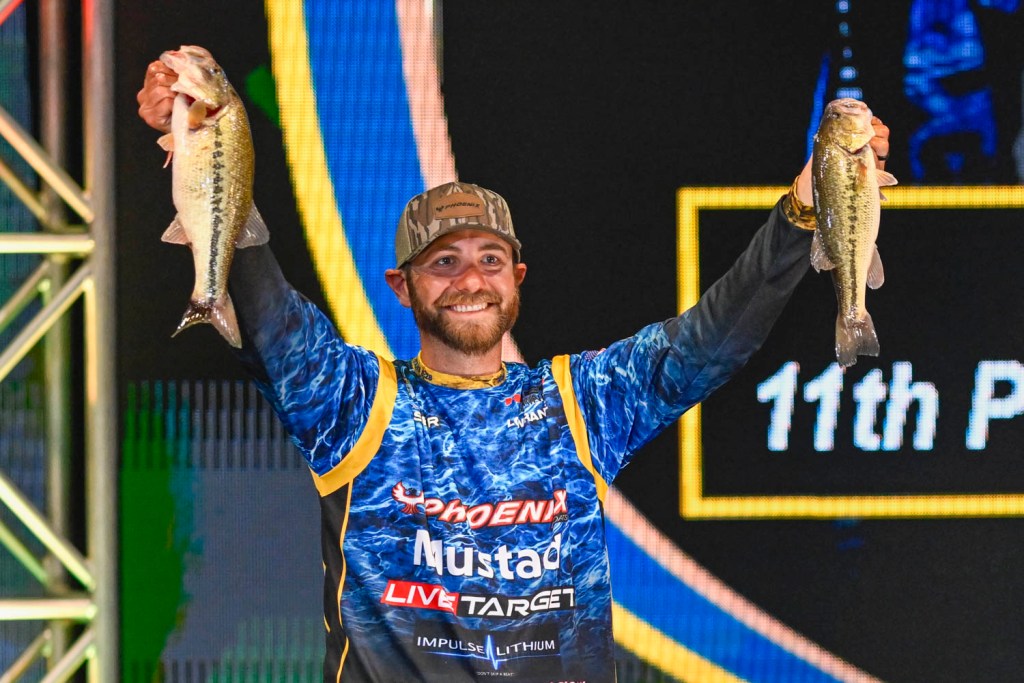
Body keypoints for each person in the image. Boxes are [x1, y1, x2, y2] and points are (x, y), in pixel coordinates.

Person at [138, 58, 890, 683]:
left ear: (517, 278)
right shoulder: (353, 403)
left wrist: (805, 206)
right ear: (401, 286)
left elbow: (712, 341)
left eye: (490, 260)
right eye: (443, 262)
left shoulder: (582, 403)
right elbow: (267, 311)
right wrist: (202, 135)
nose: (471, 280)